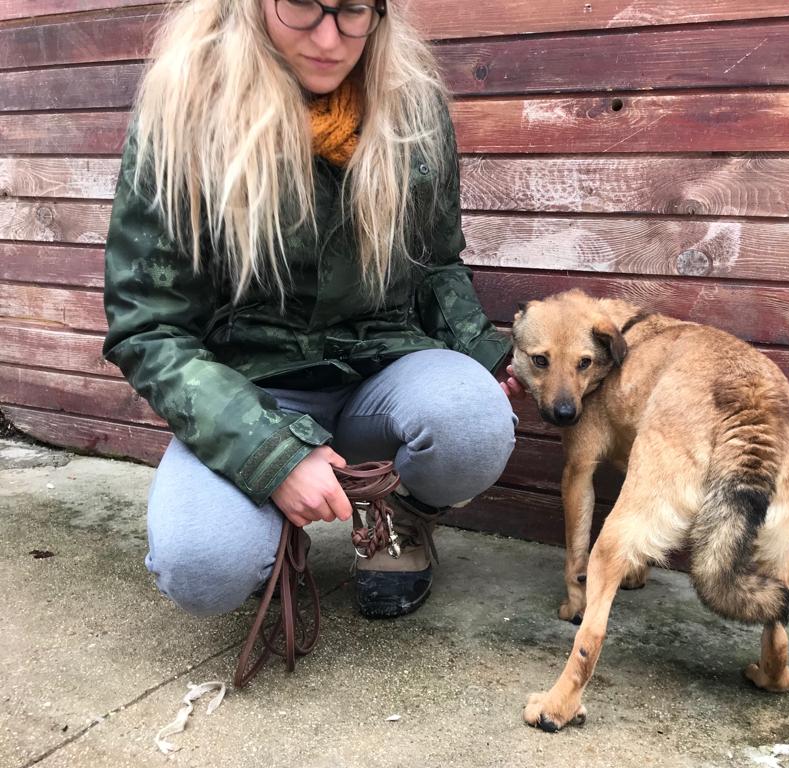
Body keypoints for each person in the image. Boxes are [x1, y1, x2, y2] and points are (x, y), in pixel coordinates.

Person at [103, 0, 525, 620]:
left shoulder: (413, 104)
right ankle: (267, 520)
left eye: (352, 10)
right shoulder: (183, 112)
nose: (329, 37)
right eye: (301, 5)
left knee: (475, 424)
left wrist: (481, 355)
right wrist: (273, 458)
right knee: (202, 570)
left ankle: (397, 510)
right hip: (252, 388)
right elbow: (149, 327)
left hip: (378, 370)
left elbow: (436, 262)